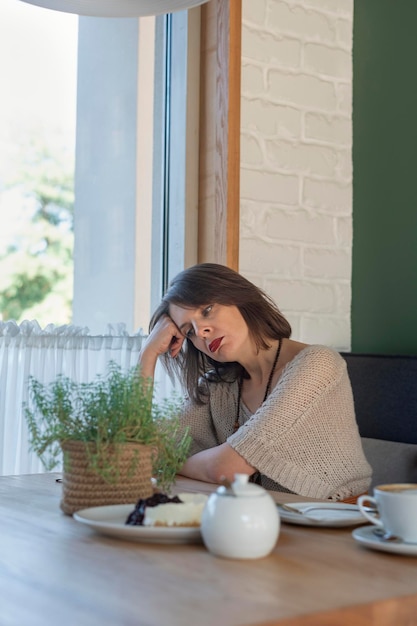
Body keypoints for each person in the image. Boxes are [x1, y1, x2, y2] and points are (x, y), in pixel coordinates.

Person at [139, 263, 372, 501]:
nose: (201, 332)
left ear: (239, 297)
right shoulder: (216, 386)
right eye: (188, 331)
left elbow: (226, 469)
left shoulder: (317, 364)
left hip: (337, 522)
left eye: (207, 310)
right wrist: (147, 356)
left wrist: (169, 461)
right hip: (263, 519)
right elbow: (138, 451)